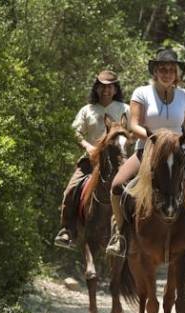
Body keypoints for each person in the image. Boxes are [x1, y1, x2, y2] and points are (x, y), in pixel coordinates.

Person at [106, 48, 185, 258]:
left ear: (177, 73)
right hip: (149, 150)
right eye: (163, 68)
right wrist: (155, 139)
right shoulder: (141, 93)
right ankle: (120, 235)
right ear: (155, 71)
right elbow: (134, 124)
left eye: (171, 69)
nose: (167, 73)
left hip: (180, 152)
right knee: (117, 185)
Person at [54, 70, 130, 249]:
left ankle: (133, 234)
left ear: (115, 89)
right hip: (92, 161)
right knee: (71, 190)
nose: (106, 91)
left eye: (110, 87)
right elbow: (75, 131)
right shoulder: (87, 110)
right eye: (102, 87)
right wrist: (88, 147)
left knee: (136, 192)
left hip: (120, 161)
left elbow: (133, 129)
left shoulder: (125, 109)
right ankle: (67, 230)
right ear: (96, 88)